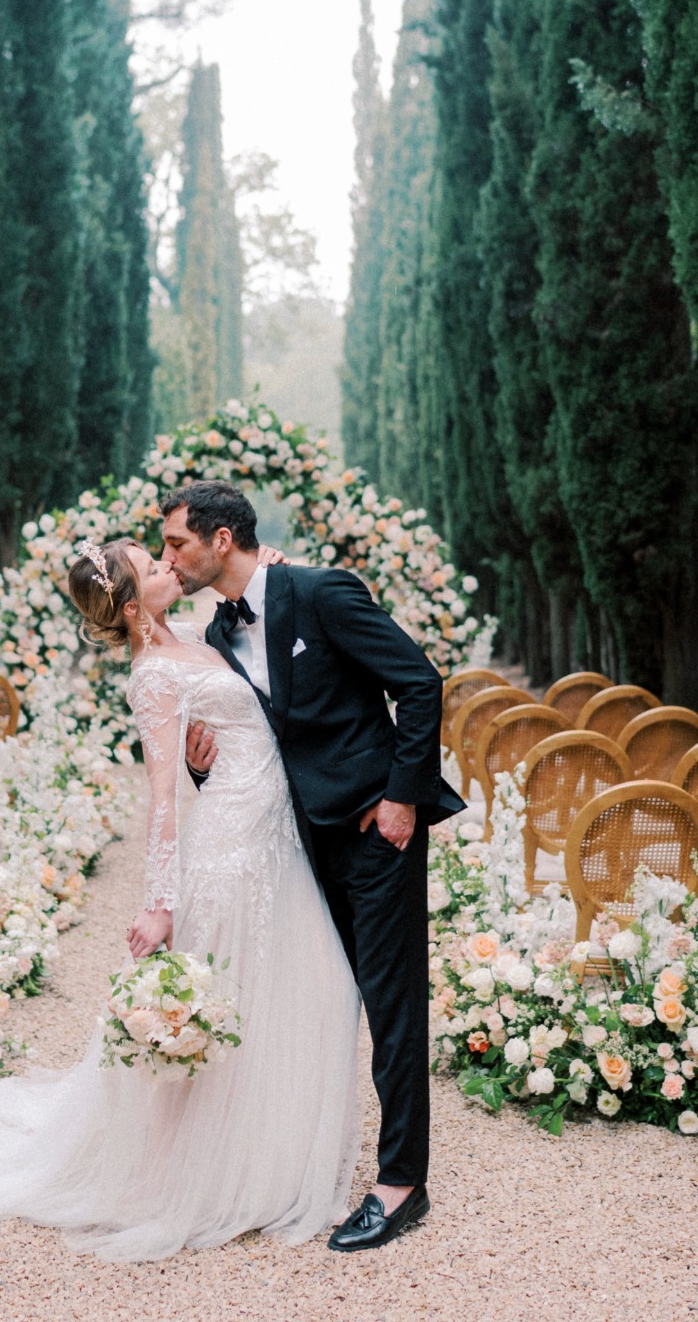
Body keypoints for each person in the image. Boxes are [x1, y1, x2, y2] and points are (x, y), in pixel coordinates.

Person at [0, 537, 360, 1262]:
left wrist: (277, 574)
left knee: (295, 992)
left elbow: (252, 641)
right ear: (134, 608)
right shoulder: (154, 674)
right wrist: (159, 903)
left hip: (275, 831)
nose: (171, 566)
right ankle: (213, 1172)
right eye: (154, 564)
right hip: (229, 846)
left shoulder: (195, 632)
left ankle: (269, 1148)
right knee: (239, 993)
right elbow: (161, 800)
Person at [161, 479, 463, 1253]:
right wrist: (202, 768)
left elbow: (419, 683)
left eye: (177, 544)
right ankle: (298, 1162)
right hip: (293, 847)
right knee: (325, 1002)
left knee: (392, 1009)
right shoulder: (219, 637)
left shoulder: (322, 592)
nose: (171, 558)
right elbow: (255, 746)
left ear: (222, 538)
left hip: (374, 835)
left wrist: (402, 800)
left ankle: (402, 1184)